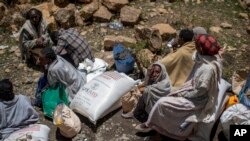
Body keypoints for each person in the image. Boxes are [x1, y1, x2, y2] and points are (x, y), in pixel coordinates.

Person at [135, 34, 222, 140]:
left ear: (202, 48)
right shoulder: (204, 59)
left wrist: (182, 93)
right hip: (190, 89)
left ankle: (153, 126)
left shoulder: (207, 69)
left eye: (198, 45)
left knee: (162, 103)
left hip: (196, 100)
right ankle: (160, 125)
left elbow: (199, 91)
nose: (196, 47)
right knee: (168, 95)